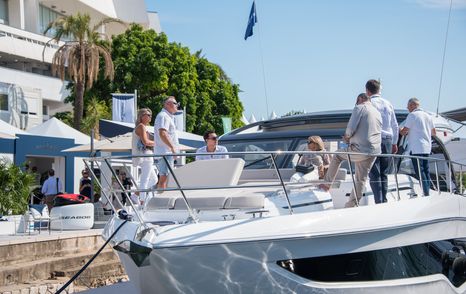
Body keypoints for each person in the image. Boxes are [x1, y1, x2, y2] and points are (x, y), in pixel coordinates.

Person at [320, 93, 382, 208]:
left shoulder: (359, 107)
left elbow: (351, 128)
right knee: (361, 178)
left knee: (338, 155)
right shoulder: (377, 112)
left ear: (360, 99)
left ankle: (327, 184)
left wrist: (347, 137)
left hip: (360, 149)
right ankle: (352, 205)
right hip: (374, 151)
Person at [366, 79, 399, 204]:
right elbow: (395, 125)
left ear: (367, 91)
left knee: (374, 172)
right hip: (388, 140)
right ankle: (384, 200)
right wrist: (395, 143)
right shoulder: (388, 103)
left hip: (374, 139)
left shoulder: (368, 103)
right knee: (384, 173)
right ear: (379, 90)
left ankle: (378, 201)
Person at [400, 98, 436, 196]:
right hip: (426, 147)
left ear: (412, 105)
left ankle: (425, 193)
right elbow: (434, 133)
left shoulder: (412, 115)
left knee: (420, 171)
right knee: (426, 170)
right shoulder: (428, 116)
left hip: (416, 147)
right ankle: (427, 191)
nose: (407, 108)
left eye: (408, 106)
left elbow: (404, 132)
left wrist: (399, 130)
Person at [132, 108, 157, 204]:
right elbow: (146, 142)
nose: (150, 116)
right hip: (145, 155)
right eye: (148, 115)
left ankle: (135, 195)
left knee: (154, 179)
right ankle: (142, 202)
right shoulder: (141, 126)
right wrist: (158, 143)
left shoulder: (143, 127)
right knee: (145, 180)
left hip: (146, 155)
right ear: (141, 116)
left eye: (150, 115)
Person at [154, 96, 180, 189]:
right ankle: (160, 201)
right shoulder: (164, 116)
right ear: (168, 104)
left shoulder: (165, 116)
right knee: (164, 178)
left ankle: (160, 199)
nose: (177, 105)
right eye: (175, 103)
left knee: (166, 178)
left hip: (166, 153)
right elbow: (162, 133)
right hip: (165, 153)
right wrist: (172, 147)